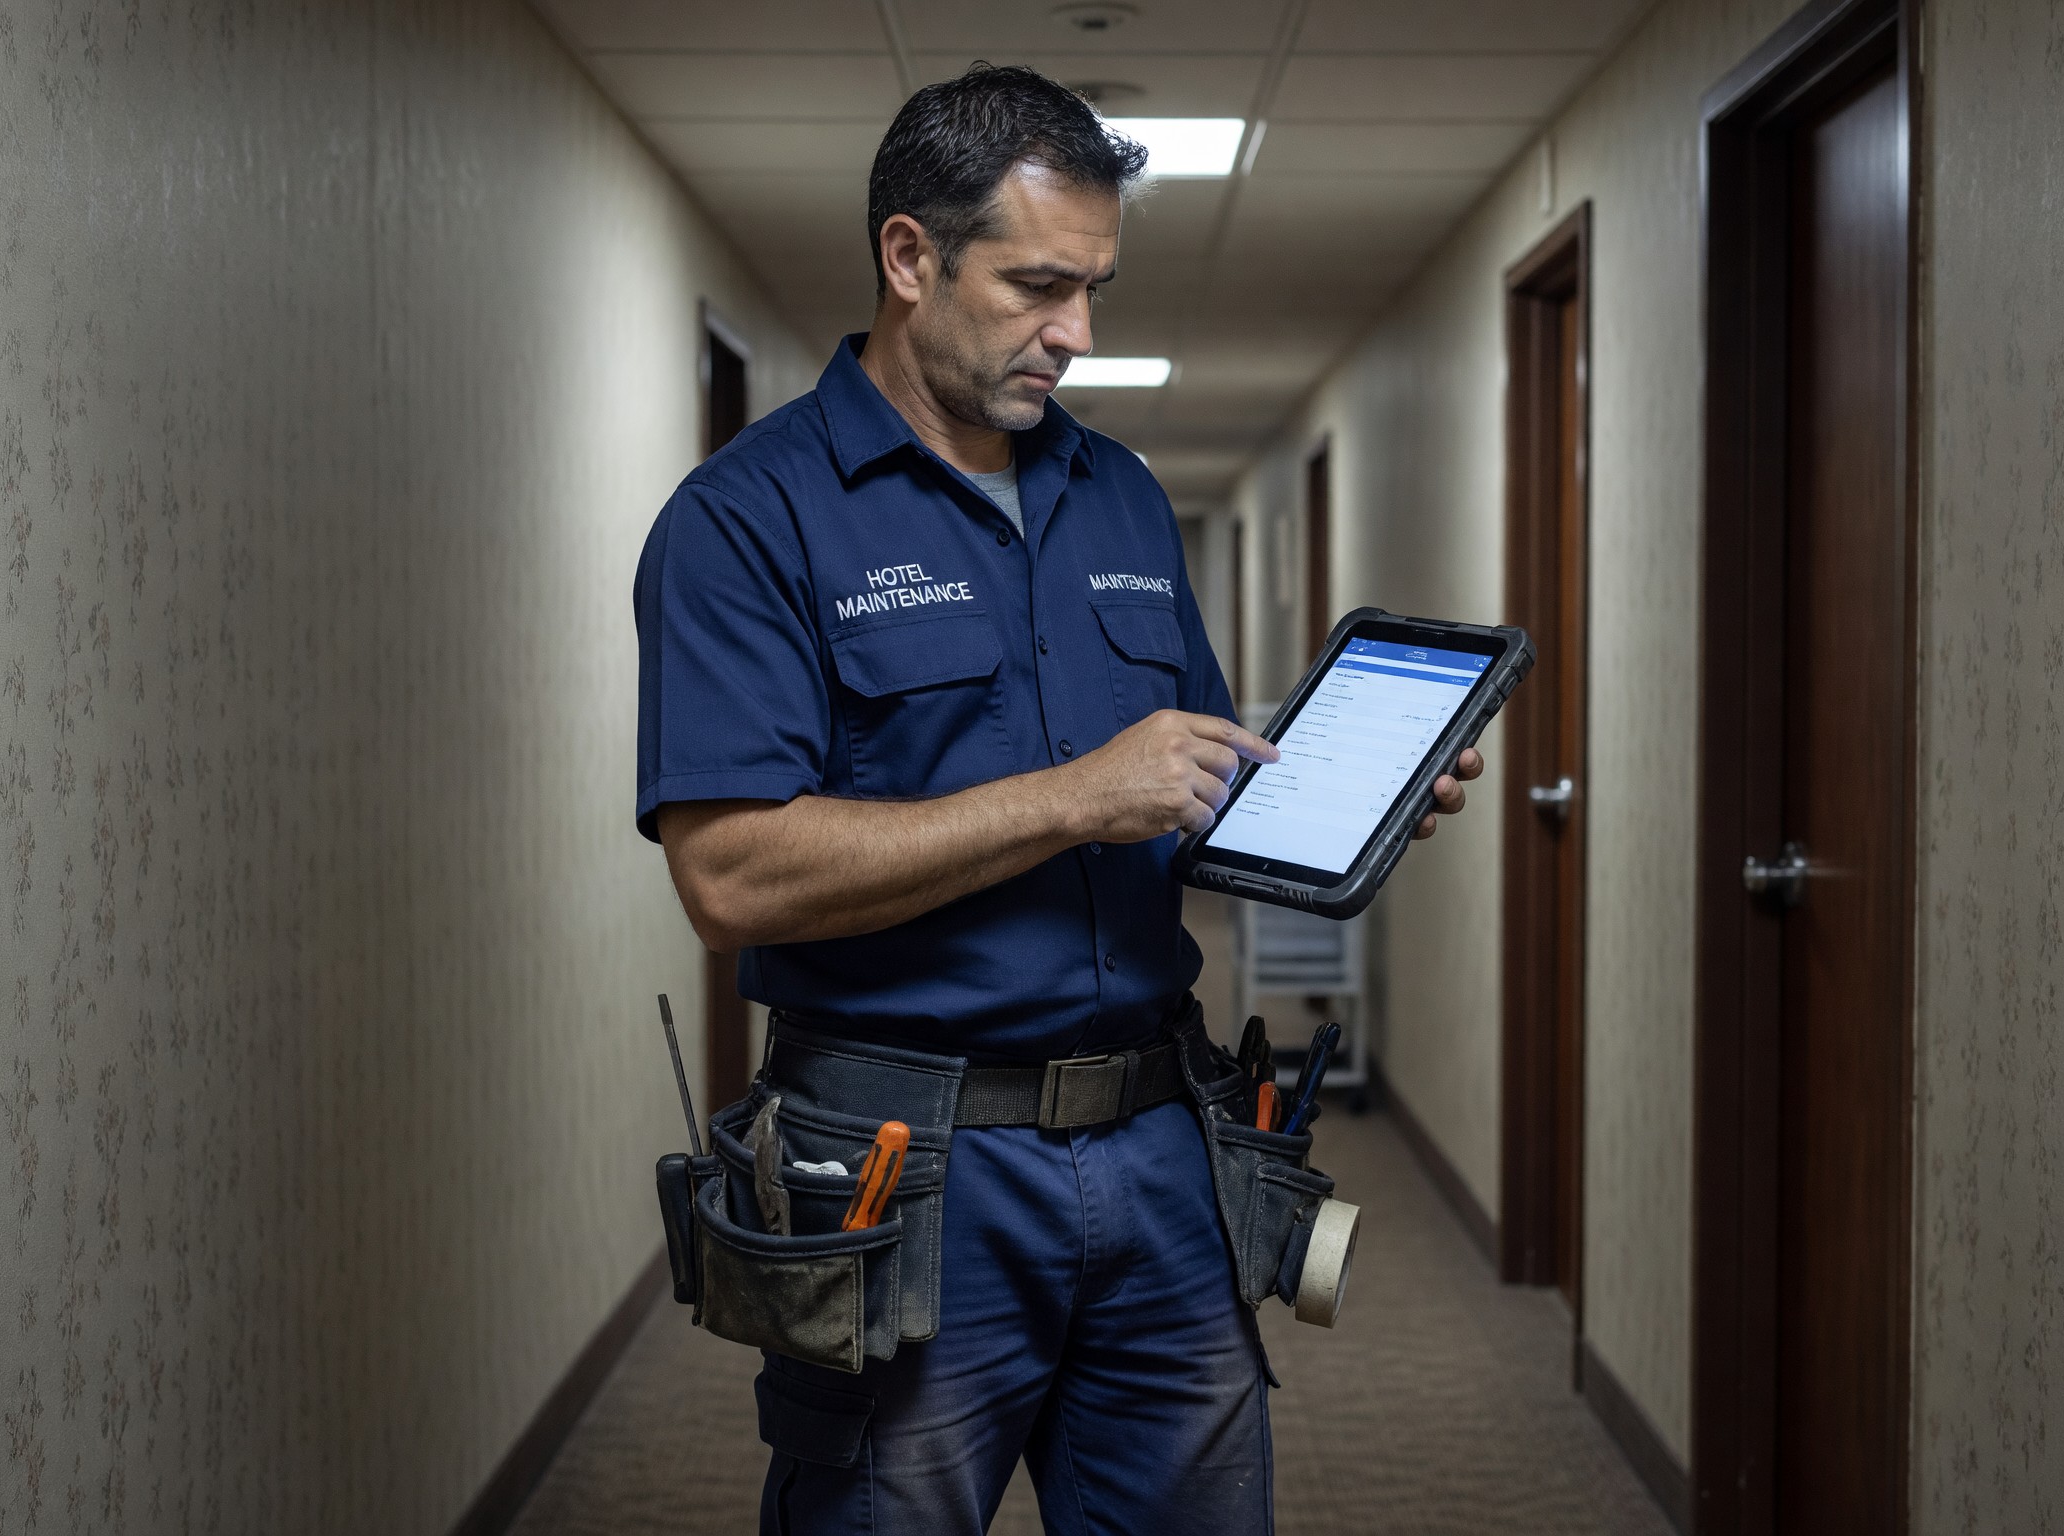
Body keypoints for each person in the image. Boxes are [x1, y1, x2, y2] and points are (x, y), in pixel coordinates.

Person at [632, 64, 1482, 1535]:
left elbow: (1173, 792)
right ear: (910, 258)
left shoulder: (1122, 496)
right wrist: (1071, 798)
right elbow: (734, 878)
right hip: (908, 1167)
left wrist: (1341, 801)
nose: (1076, 334)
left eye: (1093, 288)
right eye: (1036, 285)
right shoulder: (749, 519)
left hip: (1161, 1142)